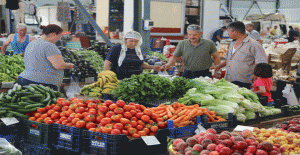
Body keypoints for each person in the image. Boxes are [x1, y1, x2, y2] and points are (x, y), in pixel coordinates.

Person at [210, 21, 268, 89]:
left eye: (228, 31)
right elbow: (229, 59)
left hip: (245, 83)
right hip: (229, 81)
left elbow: (262, 63)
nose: (227, 33)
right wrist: (218, 66)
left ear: (235, 32)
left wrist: (256, 76)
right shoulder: (232, 43)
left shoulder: (254, 45)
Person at [17, 24, 74, 91]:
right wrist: (70, 65)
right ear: (53, 34)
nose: (59, 39)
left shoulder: (32, 43)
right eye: (59, 36)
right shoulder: (49, 46)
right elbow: (59, 65)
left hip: (25, 80)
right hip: (41, 84)